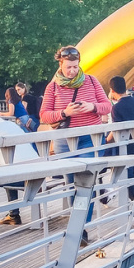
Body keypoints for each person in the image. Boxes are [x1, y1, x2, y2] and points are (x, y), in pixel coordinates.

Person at [39, 45, 112, 242]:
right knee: (72, 184)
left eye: (75, 66)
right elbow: (44, 116)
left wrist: (92, 107)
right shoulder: (52, 87)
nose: (72, 71)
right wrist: (65, 113)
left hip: (90, 137)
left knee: (85, 182)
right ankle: (78, 224)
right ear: (60, 64)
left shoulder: (91, 81)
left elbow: (107, 106)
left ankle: (81, 229)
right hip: (64, 139)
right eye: (68, 67)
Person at [105, 76, 134, 208]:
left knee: (127, 174)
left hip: (127, 145)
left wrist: (106, 141)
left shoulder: (116, 108)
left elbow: (117, 129)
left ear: (112, 90)